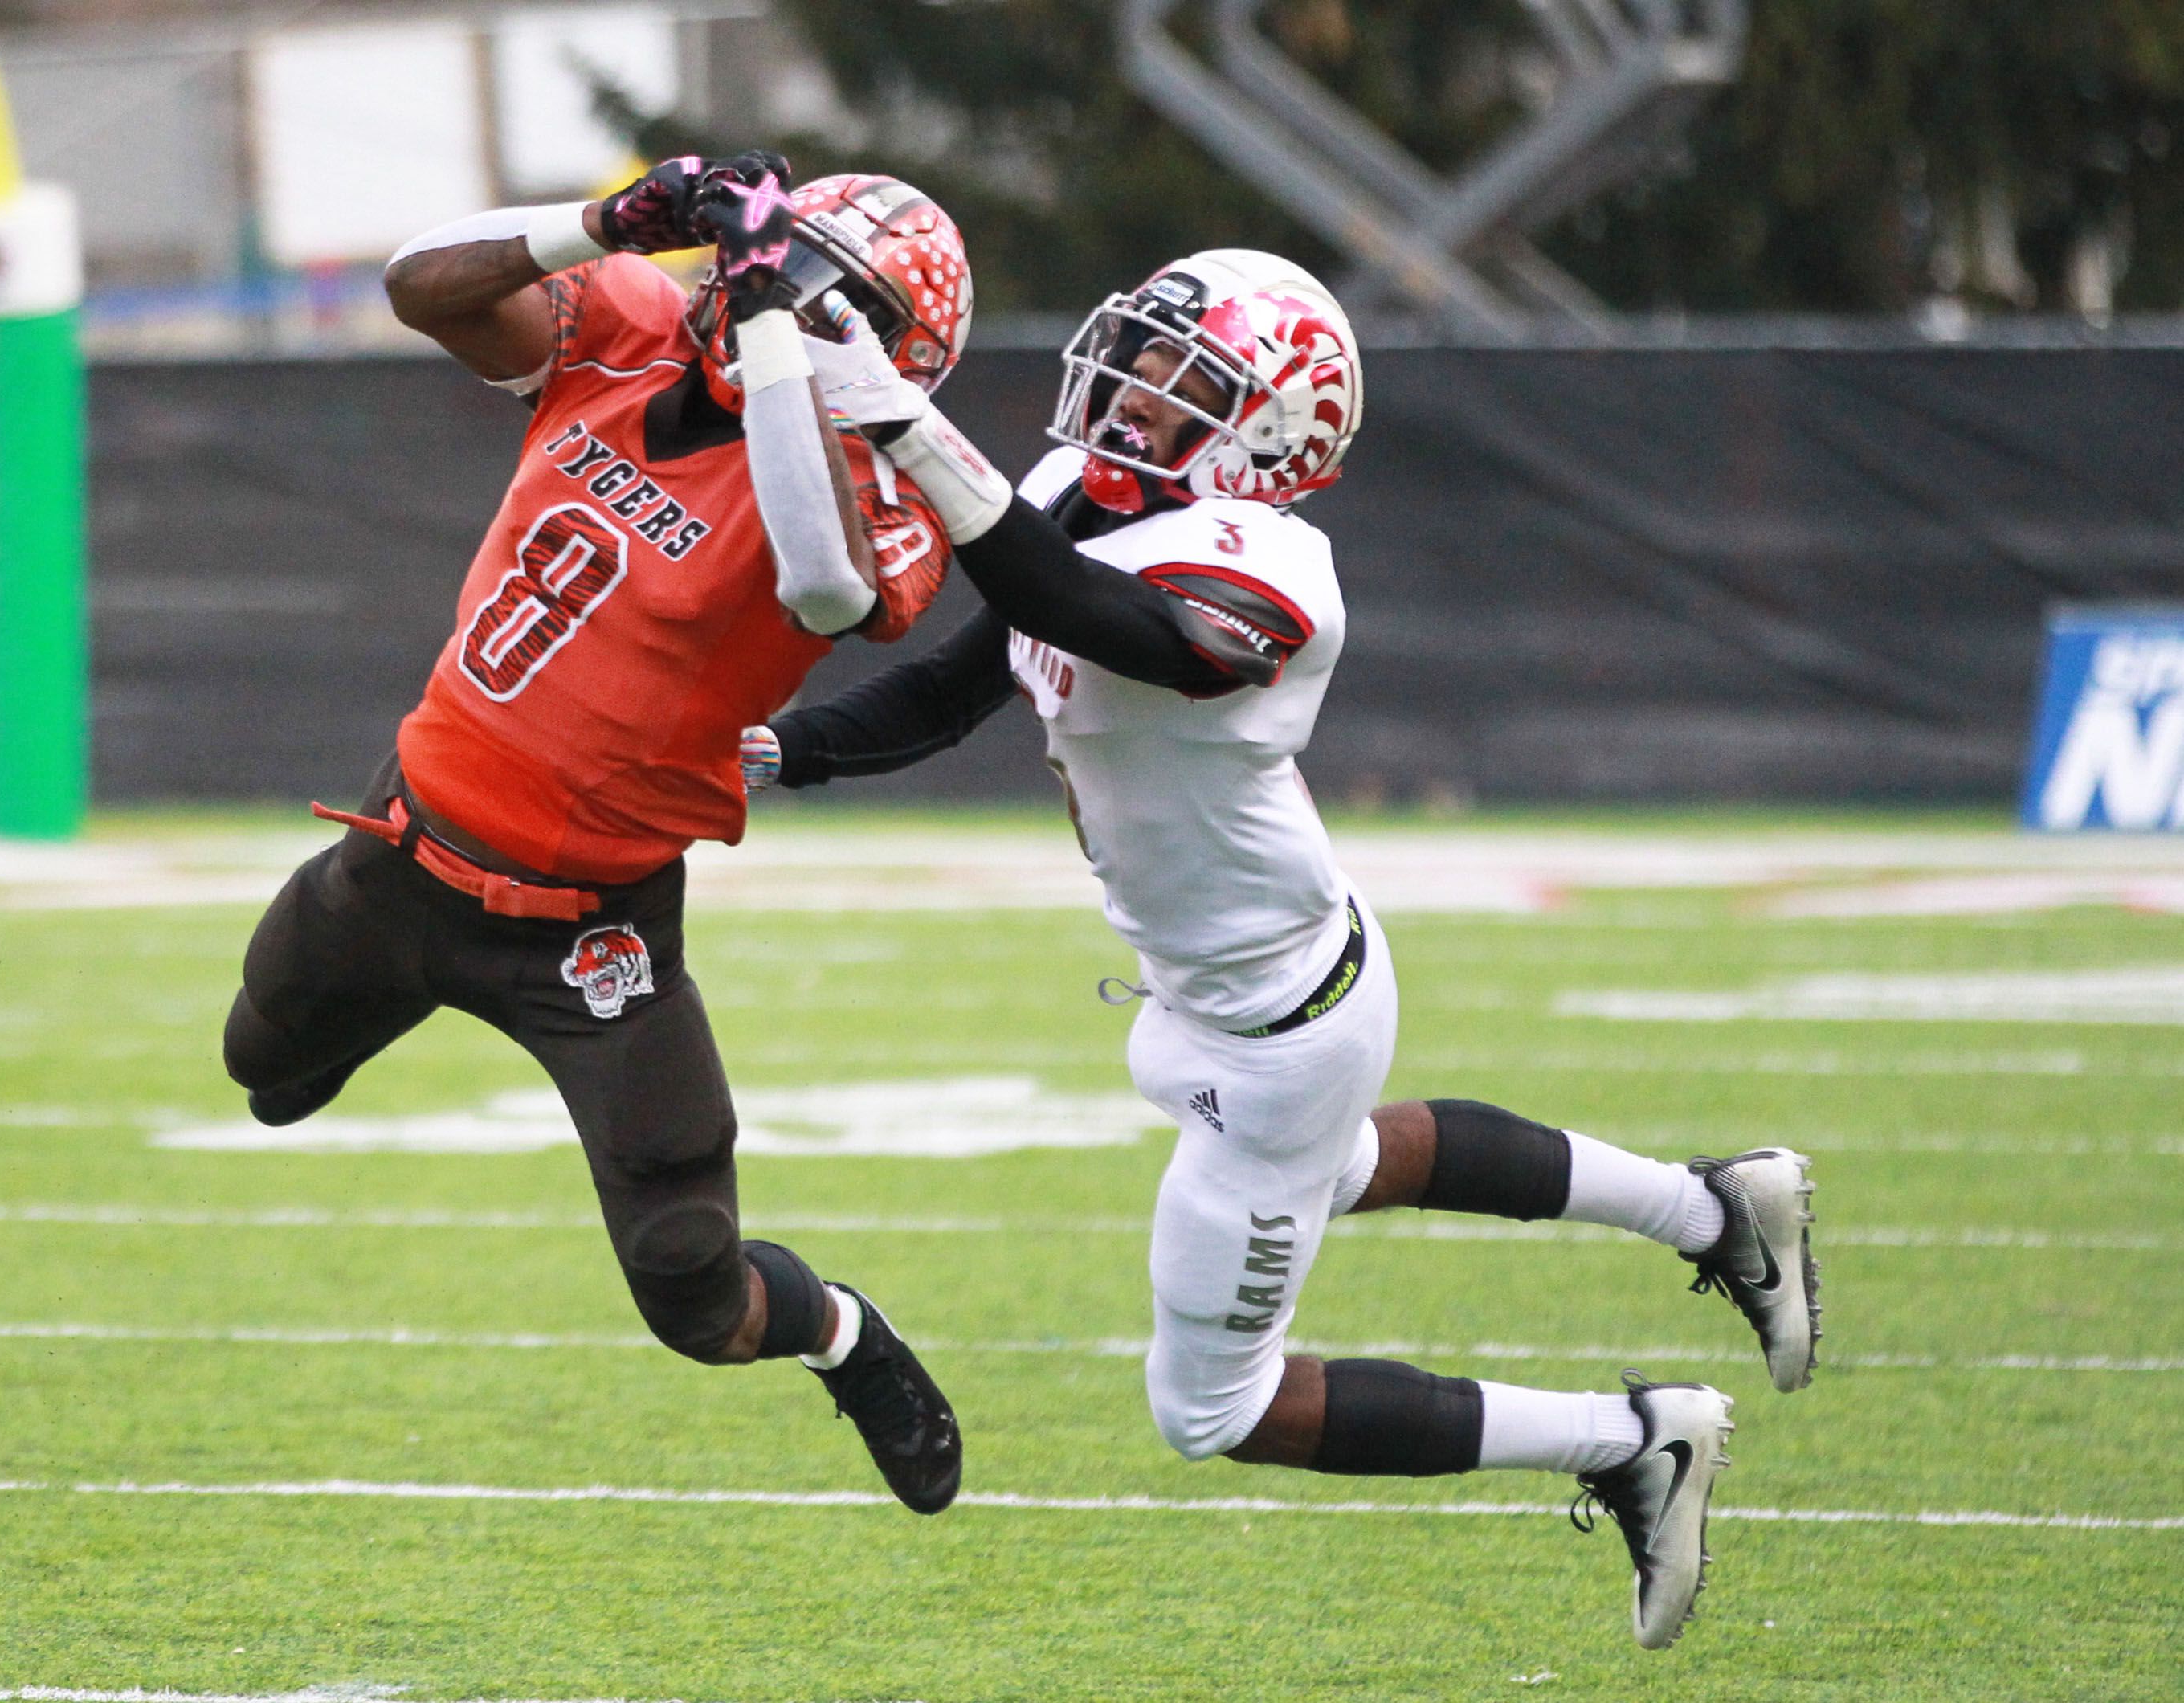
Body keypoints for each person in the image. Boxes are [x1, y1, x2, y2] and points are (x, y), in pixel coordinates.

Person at [741, 248, 1823, 1641]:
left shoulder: (1272, 566)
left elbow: (1107, 620)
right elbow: (959, 686)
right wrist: (776, 754)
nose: (1132, 395)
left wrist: (905, 421)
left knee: (1213, 1409)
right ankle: (1715, 1208)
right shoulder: (1082, 494)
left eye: (1182, 380)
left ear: (1265, 436)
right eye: (1139, 354)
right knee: (1354, 1166)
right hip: (1246, 988)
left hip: (1278, 1030)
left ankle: (1629, 1440)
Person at [222, 155, 974, 1514]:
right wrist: (609, 221)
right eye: (777, 259)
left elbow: (816, 577)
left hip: (595, 947)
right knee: (260, 1068)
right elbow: (419, 288)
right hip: (404, 849)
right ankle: (352, 1010)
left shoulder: (881, 490)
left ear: (885, 355)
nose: (780, 293)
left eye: (819, 291)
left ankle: (846, 1338)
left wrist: (764, 334)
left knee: (697, 1292)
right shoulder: (626, 330)